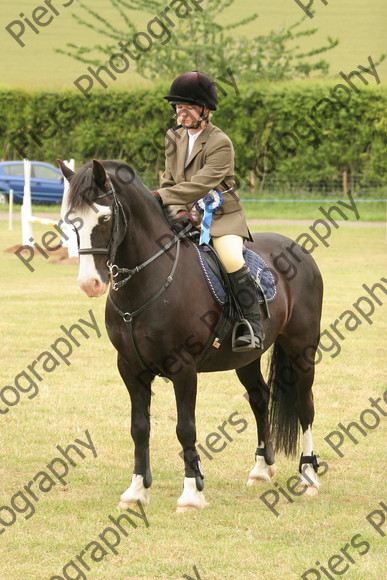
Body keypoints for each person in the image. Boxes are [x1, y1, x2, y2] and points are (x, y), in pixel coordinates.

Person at [154, 71, 263, 351]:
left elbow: (201, 185)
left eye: (187, 107)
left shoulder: (220, 142)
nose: (181, 113)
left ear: (204, 109)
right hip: (182, 212)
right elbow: (169, 180)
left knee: (229, 258)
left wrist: (162, 196)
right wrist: (176, 210)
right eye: (177, 107)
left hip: (221, 218)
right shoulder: (172, 138)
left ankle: (251, 325)